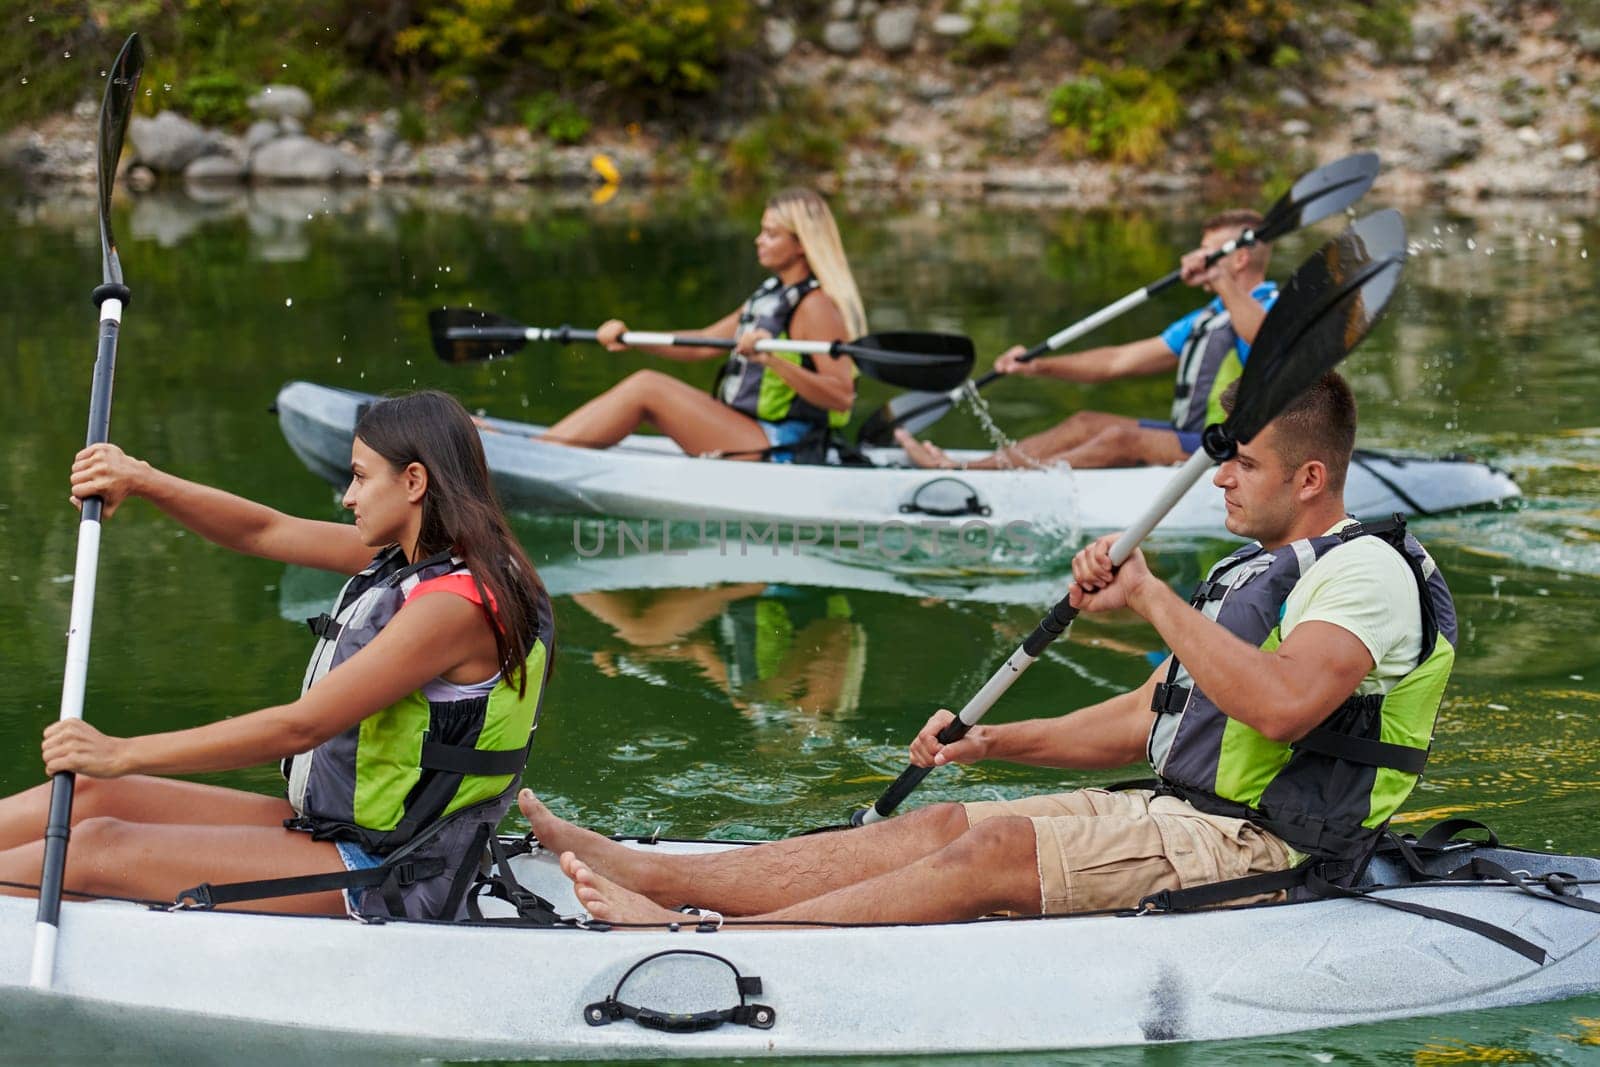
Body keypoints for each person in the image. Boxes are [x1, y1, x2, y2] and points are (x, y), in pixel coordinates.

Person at [522, 372, 1458, 927]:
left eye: (1242, 464)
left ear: (1309, 475)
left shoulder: (1365, 571)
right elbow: (1146, 717)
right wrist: (996, 740)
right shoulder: (1256, 570)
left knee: (998, 845)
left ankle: (703, 932)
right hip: (1181, 808)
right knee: (941, 824)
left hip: (1268, 845)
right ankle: (650, 867)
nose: (1220, 476)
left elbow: (1286, 706)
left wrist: (1150, 594)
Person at [2, 391, 554, 920]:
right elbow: (264, 531)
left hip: (395, 870)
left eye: (360, 477)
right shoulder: (413, 560)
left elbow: (301, 727)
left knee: (100, 848)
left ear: (413, 481)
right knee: (92, 797)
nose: (348, 496)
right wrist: (143, 480)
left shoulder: (455, 608)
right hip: (339, 830)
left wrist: (122, 750)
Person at [896, 209, 1277, 471]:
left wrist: (1220, 280)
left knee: (1120, 438)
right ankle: (974, 469)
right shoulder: (1209, 317)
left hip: (1240, 448)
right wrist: (1040, 366)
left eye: (1208, 251)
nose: (1195, 258)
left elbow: (1267, 340)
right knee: (1085, 422)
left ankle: (992, 478)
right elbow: (1117, 362)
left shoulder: (1273, 306)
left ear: (1239, 258)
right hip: (1193, 438)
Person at [541, 187, 869, 463]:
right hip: (750, 429)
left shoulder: (817, 307)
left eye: (771, 234)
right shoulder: (772, 295)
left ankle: (543, 456)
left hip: (782, 447)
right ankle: (546, 445)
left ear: (801, 244)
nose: (759, 241)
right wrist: (632, 339)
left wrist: (772, 361)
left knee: (647, 388)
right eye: (761, 230)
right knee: (647, 386)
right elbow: (702, 343)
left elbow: (841, 396)